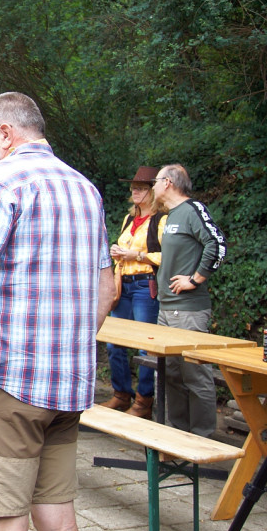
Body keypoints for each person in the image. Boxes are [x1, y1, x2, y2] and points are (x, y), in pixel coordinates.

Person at [0, 92, 114, 531]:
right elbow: (107, 288)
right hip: (68, 388)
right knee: (60, 523)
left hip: (7, 384)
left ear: (4, 133)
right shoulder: (85, 187)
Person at [152, 163, 227, 437]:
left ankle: (203, 438)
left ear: (169, 182)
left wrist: (194, 279)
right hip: (166, 309)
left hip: (188, 311)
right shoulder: (170, 216)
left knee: (195, 376)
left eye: (156, 180)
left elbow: (217, 244)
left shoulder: (192, 210)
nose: (153, 186)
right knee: (171, 374)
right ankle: (177, 437)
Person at [100, 166, 168, 419]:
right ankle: (121, 394)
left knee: (145, 347)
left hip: (144, 285)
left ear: (152, 191)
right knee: (114, 342)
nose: (134, 191)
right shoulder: (129, 219)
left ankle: (144, 400)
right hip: (124, 284)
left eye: (140, 187)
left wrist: (137, 255)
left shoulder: (162, 221)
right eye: (133, 187)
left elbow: (168, 256)